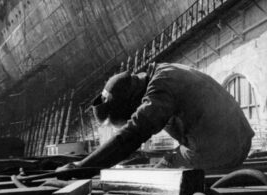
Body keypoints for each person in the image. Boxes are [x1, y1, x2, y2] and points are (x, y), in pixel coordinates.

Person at [58, 63, 254, 172]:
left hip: (224, 149)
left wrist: (82, 167)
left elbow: (136, 131)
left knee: (157, 178)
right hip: (229, 141)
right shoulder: (161, 73)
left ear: (132, 103)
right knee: (163, 164)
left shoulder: (161, 85)